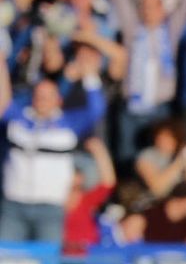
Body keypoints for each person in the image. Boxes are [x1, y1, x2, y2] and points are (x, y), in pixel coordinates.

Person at [0, 64, 107, 242]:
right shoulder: (19, 119)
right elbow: (3, 102)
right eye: (39, 95)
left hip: (50, 207)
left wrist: (89, 76)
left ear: (58, 99)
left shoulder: (70, 123)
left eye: (48, 96)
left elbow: (96, 110)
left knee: (48, 256)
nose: (42, 100)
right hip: (14, 205)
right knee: (7, 255)